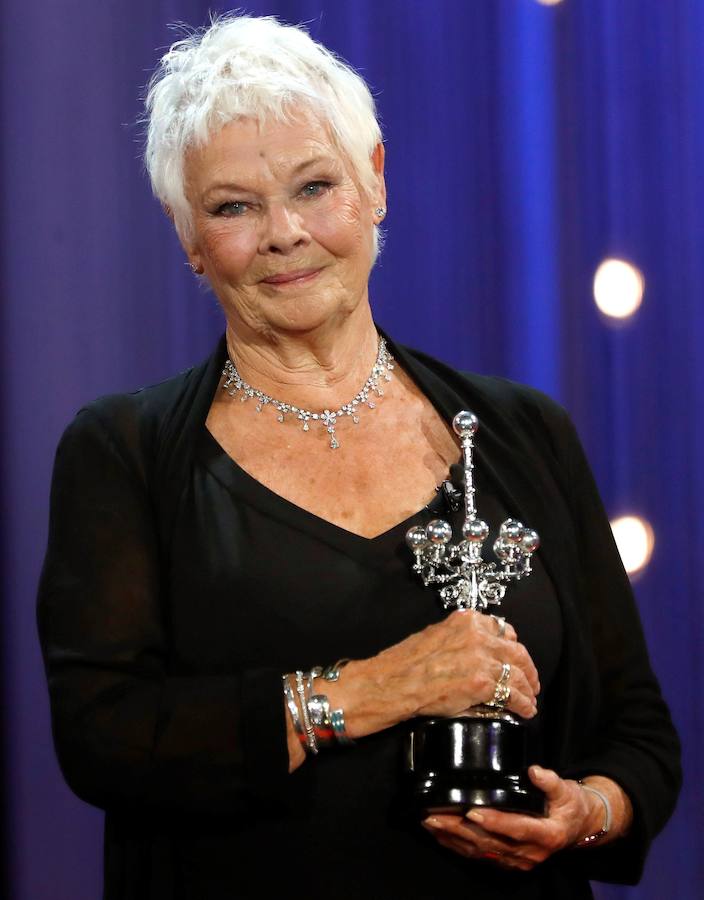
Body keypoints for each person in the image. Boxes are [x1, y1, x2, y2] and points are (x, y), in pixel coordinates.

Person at [37, 13, 680, 900]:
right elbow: (104, 739)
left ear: (373, 181)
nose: (283, 234)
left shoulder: (525, 433)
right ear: (188, 236)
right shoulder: (125, 453)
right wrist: (381, 687)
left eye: (313, 186)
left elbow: (639, 735)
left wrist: (591, 812)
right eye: (233, 206)